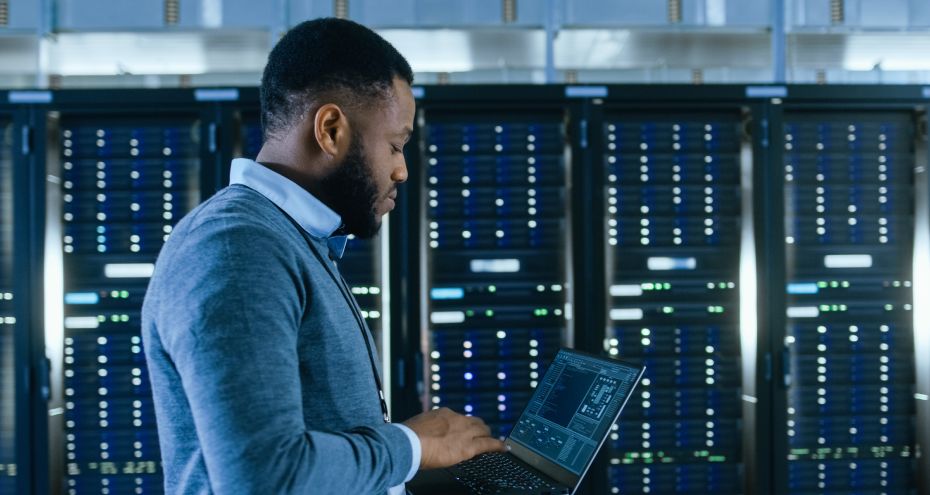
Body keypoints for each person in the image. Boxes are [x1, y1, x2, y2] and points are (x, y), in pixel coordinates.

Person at [141, 17, 504, 494]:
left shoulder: (293, 239)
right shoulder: (236, 247)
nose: (402, 171)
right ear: (330, 129)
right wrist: (411, 446)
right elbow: (264, 476)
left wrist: (412, 462)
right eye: (395, 146)